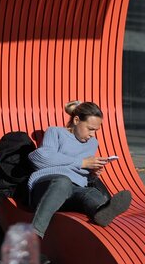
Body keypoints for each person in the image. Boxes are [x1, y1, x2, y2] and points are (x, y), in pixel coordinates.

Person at [27, 101, 132, 244]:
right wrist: (82, 163)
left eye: (95, 130)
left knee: (90, 193)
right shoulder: (56, 132)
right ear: (76, 120)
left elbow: (79, 171)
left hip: (73, 189)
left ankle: (101, 211)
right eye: (90, 129)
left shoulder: (92, 143)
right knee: (63, 182)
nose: (92, 134)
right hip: (47, 186)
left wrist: (92, 172)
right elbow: (41, 157)